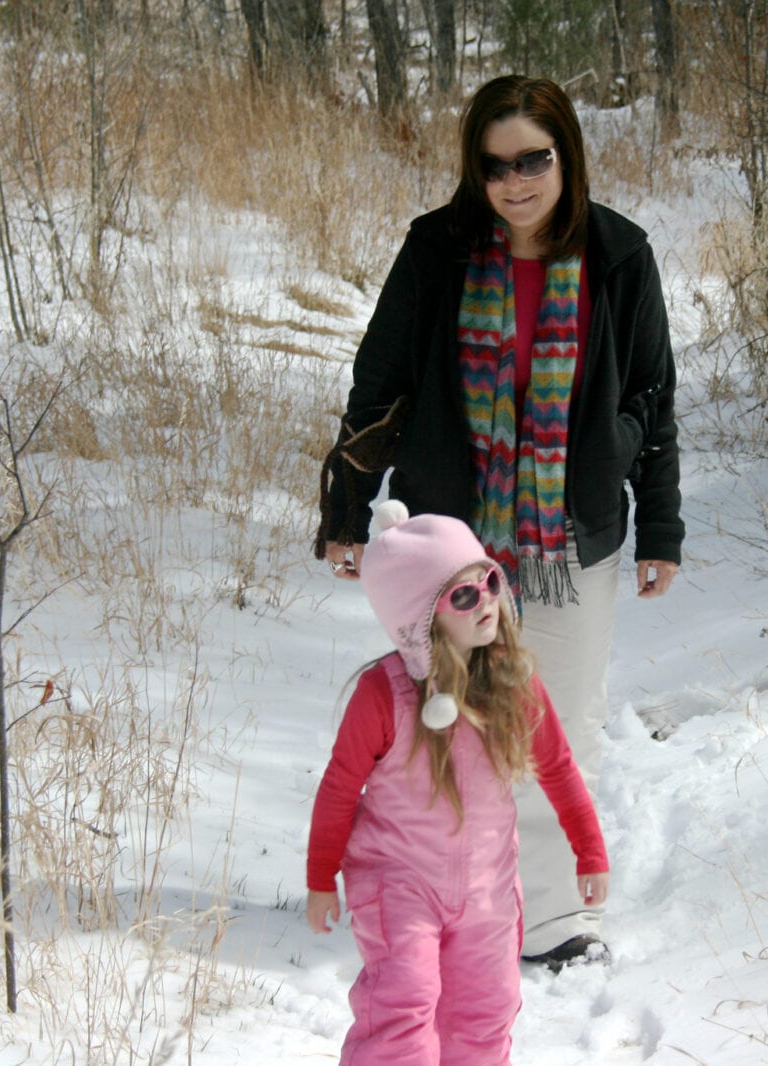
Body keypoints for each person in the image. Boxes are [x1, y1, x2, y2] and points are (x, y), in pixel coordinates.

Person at [315, 73, 682, 967]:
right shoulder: (438, 250)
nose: (514, 182)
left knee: (560, 721)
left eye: (533, 160)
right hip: (455, 536)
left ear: (567, 155)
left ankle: (555, 922)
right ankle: (452, 907)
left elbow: (652, 393)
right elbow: (380, 379)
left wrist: (660, 526)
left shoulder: (619, 255)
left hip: (571, 532)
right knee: (458, 726)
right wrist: (346, 509)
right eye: (494, 166)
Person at [307, 500, 610, 1065]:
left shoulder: (513, 686)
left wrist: (588, 853)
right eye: (463, 595)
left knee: (487, 1011)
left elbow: (560, 768)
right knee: (404, 1004)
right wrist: (321, 876)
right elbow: (339, 789)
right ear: (419, 617)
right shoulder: (383, 695)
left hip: (487, 888)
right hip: (398, 882)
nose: (486, 602)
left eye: (489, 582)